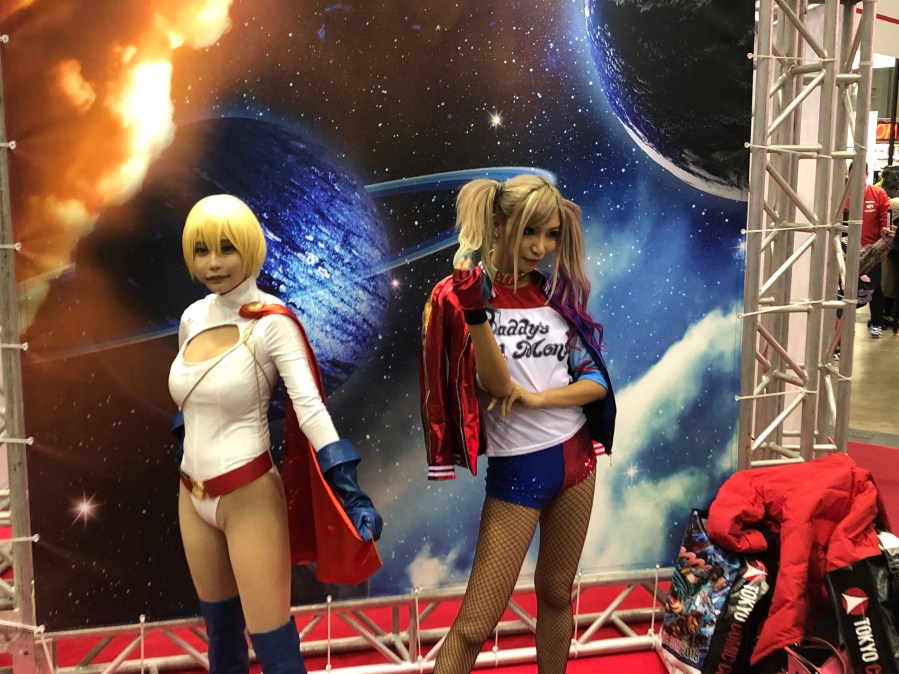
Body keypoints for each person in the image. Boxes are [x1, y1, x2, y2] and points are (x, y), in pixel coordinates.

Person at [169, 194, 383, 674]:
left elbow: (310, 410)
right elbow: (187, 406)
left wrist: (350, 491)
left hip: (248, 497)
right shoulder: (193, 318)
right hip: (191, 496)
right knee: (221, 638)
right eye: (202, 250)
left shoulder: (272, 323)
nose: (213, 262)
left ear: (250, 248)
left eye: (227, 247)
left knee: (274, 647)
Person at [418, 175, 616, 674]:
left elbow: (595, 381)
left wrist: (539, 398)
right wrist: (476, 314)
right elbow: (495, 386)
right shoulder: (462, 296)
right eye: (530, 231)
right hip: (517, 472)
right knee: (474, 625)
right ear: (498, 224)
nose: (540, 247)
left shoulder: (553, 294)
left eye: (551, 235)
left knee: (556, 593)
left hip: (577, 460)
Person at [845, 163, 891, 338]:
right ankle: (843, 324)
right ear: (848, 174)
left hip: (871, 251)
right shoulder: (842, 195)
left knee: (874, 288)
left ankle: (877, 323)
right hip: (846, 250)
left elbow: (885, 221)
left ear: (866, 174)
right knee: (843, 288)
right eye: (853, 174)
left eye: (860, 174)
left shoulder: (878, 193)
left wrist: (884, 237)